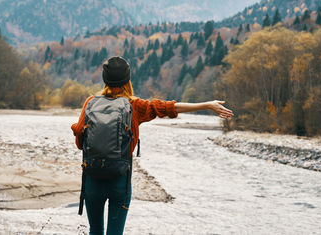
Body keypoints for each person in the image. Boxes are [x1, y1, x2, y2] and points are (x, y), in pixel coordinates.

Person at [71, 56, 233, 235]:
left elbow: (80, 143)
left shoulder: (90, 102)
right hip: (119, 181)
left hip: (92, 180)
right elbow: (168, 107)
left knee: (95, 231)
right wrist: (207, 105)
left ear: (104, 78)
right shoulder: (135, 105)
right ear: (127, 80)